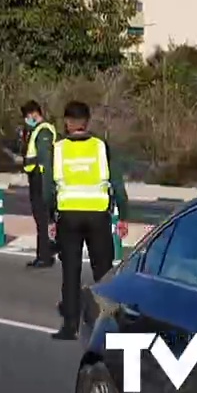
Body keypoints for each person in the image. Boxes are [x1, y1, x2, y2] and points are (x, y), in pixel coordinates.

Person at [46, 100, 129, 340]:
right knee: (103, 272)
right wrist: (123, 215)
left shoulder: (58, 148)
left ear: (68, 123)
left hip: (68, 217)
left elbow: (48, 188)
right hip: (98, 216)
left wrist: (51, 217)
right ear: (87, 122)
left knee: (70, 272)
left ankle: (70, 326)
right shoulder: (101, 146)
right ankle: (108, 323)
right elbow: (117, 183)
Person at [20, 101, 58, 269]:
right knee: (40, 220)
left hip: (40, 179)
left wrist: (46, 187)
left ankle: (45, 256)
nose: (27, 120)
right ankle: (43, 253)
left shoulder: (43, 131)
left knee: (43, 220)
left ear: (34, 113)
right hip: (35, 178)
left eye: (27, 116)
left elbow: (45, 161)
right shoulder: (35, 130)